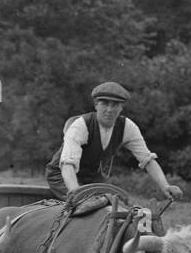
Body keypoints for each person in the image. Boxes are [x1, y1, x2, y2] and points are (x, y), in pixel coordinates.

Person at [46, 81, 183, 201]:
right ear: (96, 105)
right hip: (61, 176)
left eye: (115, 105)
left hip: (91, 178)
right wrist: (77, 193)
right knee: (86, 206)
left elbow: (147, 160)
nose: (110, 110)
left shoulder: (127, 127)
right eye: (105, 104)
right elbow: (67, 165)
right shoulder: (81, 125)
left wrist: (166, 186)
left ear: (121, 108)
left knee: (119, 204)